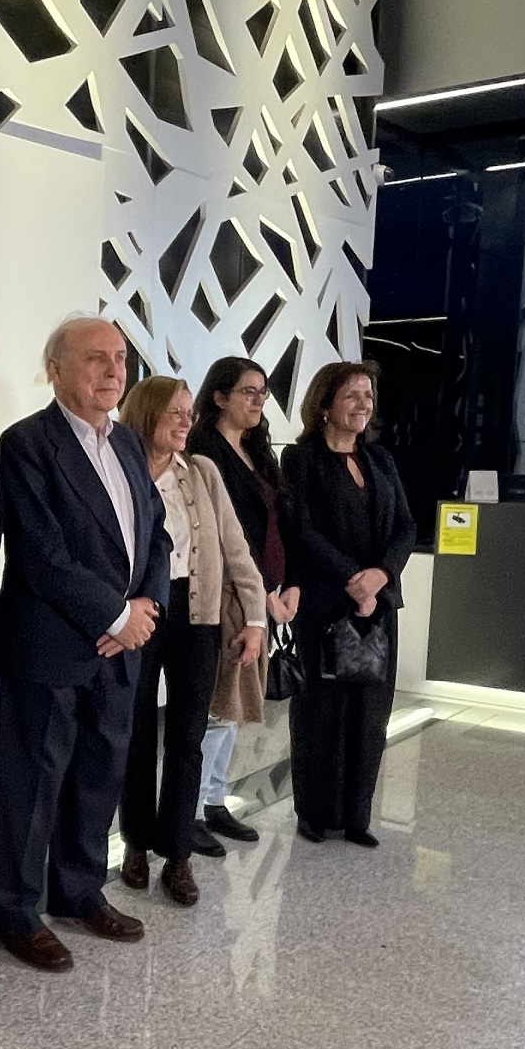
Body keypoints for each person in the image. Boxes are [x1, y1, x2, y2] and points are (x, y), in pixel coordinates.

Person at [0, 316, 170, 972]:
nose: (112, 370)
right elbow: (42, 555)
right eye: (95, 358)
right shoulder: (26, 443)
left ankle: (79, 890)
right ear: (55, 367)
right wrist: (118, 613)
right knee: (31, 785)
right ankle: (13, 911)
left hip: (119, 648)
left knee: (97, 778)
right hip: (52, 644)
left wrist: (146, 606)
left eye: (119, 358)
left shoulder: (124, 443)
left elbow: (156, 531)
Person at [116, 377, 266, 905]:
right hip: (137, 613)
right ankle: (135, 842)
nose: (185, 422)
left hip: (196, 614)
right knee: (134, 734)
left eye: (189, 413)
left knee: (187, 736)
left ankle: (177, 854)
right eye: (174, 413)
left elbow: (236, 549)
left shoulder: (201, 472)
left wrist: (256, 617)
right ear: (148, 414)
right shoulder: (118, 467)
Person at [281, 361, 415, 846]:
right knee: (321, 708)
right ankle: (314, 811)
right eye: (353, 395)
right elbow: (301, 530)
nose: (364, 404)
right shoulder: (301, 459)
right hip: (325, 603)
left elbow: (405, 525)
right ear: (325, 404)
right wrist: (351, 579)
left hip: (379, 603)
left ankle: (356, 815)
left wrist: (379, 576)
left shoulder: (380, 460)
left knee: (369, 709)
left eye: (368, 395)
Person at [187, 357, 299, 853]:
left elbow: (278, 526)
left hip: (259, 595)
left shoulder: (257, 450)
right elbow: (219, 537)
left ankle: (213, 801)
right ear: (219, 397)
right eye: (248, 392)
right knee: (215, 707)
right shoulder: (203, 453)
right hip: (226, 594)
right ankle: (188, 810)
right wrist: (260, 596)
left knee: (231, 711)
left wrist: (282, 586)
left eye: (262, 393)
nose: (257, 401)